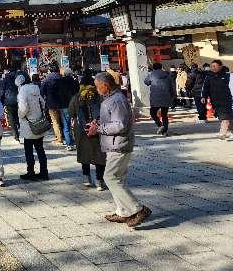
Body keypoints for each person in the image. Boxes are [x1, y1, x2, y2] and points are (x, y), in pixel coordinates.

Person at [91, 73, 151, 228]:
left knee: (110, 177)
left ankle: (137, 208)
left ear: (106, 85)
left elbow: (120, 125)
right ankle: (123, 211)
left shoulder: (116, 100)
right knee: (118, 178)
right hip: (114, 143)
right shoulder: (111, 99)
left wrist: (100, 128)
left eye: (98, 86)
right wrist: (97, 123)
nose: (97, 89)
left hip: (119, 144)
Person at [68, 71, 106, 190]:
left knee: (84, 154)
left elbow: (71, 112)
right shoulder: (98, 96)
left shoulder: (76, 97)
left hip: (82, 130)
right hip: (97, 129)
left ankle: (87, 178)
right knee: (99, 155)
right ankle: (100, 181)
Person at [18, 74, 49, 181]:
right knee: (40, 149)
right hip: (38, 122)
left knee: (28, 150)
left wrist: (20, 115)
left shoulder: (23, 91)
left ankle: (30, 171)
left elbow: (23, 108)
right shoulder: (36, 88)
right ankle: (44, 172)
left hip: (28, 124)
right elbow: (43, 103)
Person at [202, 59, 233, 139]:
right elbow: (205, 88)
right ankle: (231, 131)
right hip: (215, 100)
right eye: (212, 66)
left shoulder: (227, 75)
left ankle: (222, 132)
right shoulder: (209, 76)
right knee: (225, 116)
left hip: (227, 99)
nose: (213, 67)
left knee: (225, 116)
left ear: (220, 66)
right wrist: (204, 97)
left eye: (215, 66)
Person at [144, 62, 176, 136]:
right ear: (161, 67)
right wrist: (173, 95)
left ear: (154, 68)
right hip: (166, 97)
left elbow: (146, 82)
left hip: (155, 98)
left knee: (153, 113)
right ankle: (165, 131)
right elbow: (172, 86)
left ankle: (160, 125)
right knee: (164, 115)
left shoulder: (151, 74)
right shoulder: (167, 75)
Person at [41, 63, 65, 145]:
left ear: (50, 70)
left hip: (51, 103)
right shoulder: (62, 78)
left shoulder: (46, 79)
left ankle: (59, 138)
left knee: (55, 121)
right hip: (63, 103)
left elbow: (42, 91)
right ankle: (65, 137)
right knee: (63, 121)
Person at [59, 68, 79, 151]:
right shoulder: (75, 82)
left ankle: (69, 144)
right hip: (75, 104)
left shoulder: (60, 82)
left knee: (66, 125)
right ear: (71, 74)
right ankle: (77, 142)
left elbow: (58, 93)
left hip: (64, 105)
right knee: (76, 123)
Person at [0, 69, 20, 141]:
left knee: (11, 118)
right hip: (18, 100)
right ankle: (19, 127)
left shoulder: (4, 80)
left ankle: (16, 135)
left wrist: (1, 102)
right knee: (17, 115)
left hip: (8, 101)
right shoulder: (17, 79)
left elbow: (1, 92)